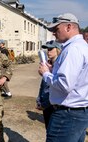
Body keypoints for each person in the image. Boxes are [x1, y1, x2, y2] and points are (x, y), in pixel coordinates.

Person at [38, 13, 88, 142]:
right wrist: (52, 72)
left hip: (67, 114)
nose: (54, 33)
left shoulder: (73, 49)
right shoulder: (83, 46)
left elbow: (64, 85)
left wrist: (46, 74)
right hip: (78, 112)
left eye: (56, 29)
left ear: (69, 26)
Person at [36, 40, 61, 129]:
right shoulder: (48, 64)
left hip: (53, 105)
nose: (48, 51)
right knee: (48, 131)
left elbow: (55, 88)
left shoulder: (60, 66)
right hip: (46, 104)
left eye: (51, 49)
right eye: (47, 49)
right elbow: (43, 84)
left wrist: (44, 104)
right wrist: (39, 99)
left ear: (58, 49)